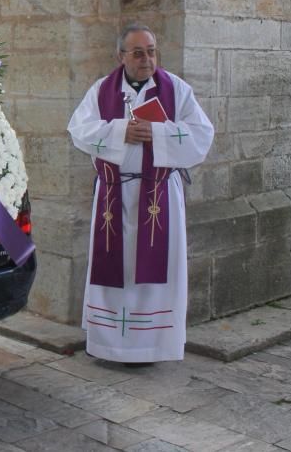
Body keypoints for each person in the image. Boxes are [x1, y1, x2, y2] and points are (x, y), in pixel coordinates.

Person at [67, 24, 214, 365]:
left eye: (151, 51)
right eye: (138, 52)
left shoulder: (176, 90)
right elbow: (79, 129)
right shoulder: (102, 90)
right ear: (121, 56)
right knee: (114, 271)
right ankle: (108, 346)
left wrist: (157, 132)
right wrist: (121, 132)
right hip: (113, 197)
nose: (146, 59)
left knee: (154, 275)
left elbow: (201, 134)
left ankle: (152, 346)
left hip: (159, 197)